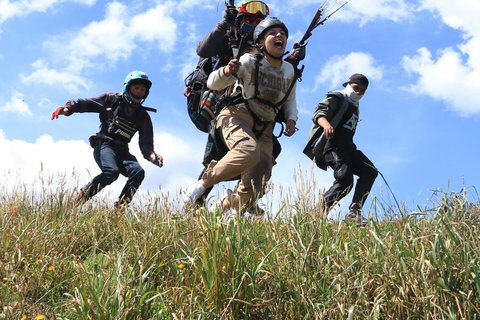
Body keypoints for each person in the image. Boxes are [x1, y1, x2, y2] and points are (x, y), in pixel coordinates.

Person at [192, 1, 305, 208]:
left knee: (264, 157)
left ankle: (242, 198)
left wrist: (293, 61)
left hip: (261, 112)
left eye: (258, 22)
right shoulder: (231, 39)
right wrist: (223, 25)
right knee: (224, 152)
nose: (253, 25)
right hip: (226, 101)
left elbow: (280, 83)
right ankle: (198, 198)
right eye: (249, 21)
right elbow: (203, 50)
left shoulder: (267, 52)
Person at [51, 71, 163, 208]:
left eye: (143, 90)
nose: (139, 92)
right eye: (136, 88)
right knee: (111, 172)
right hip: (104, 144)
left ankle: (119, 210)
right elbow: (86, 103)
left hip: (122, 150)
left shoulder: (143, 116)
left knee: (138, 172)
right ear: (127, 87)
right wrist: (67, 108)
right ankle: (76, 200)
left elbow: (146, 143)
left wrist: (152, 155)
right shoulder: (111, 99)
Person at [304, 73, 378, 227]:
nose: (358, 92)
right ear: (348, 84)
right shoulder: (337, 97)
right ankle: (315, 214)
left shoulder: (355, 106)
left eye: (362, 90)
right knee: (345, 180)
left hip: (348, 147)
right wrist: (326, 125)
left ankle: (354, 212)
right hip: (331, 145)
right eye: (356, 88)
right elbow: (318, 114)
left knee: (370, 171)